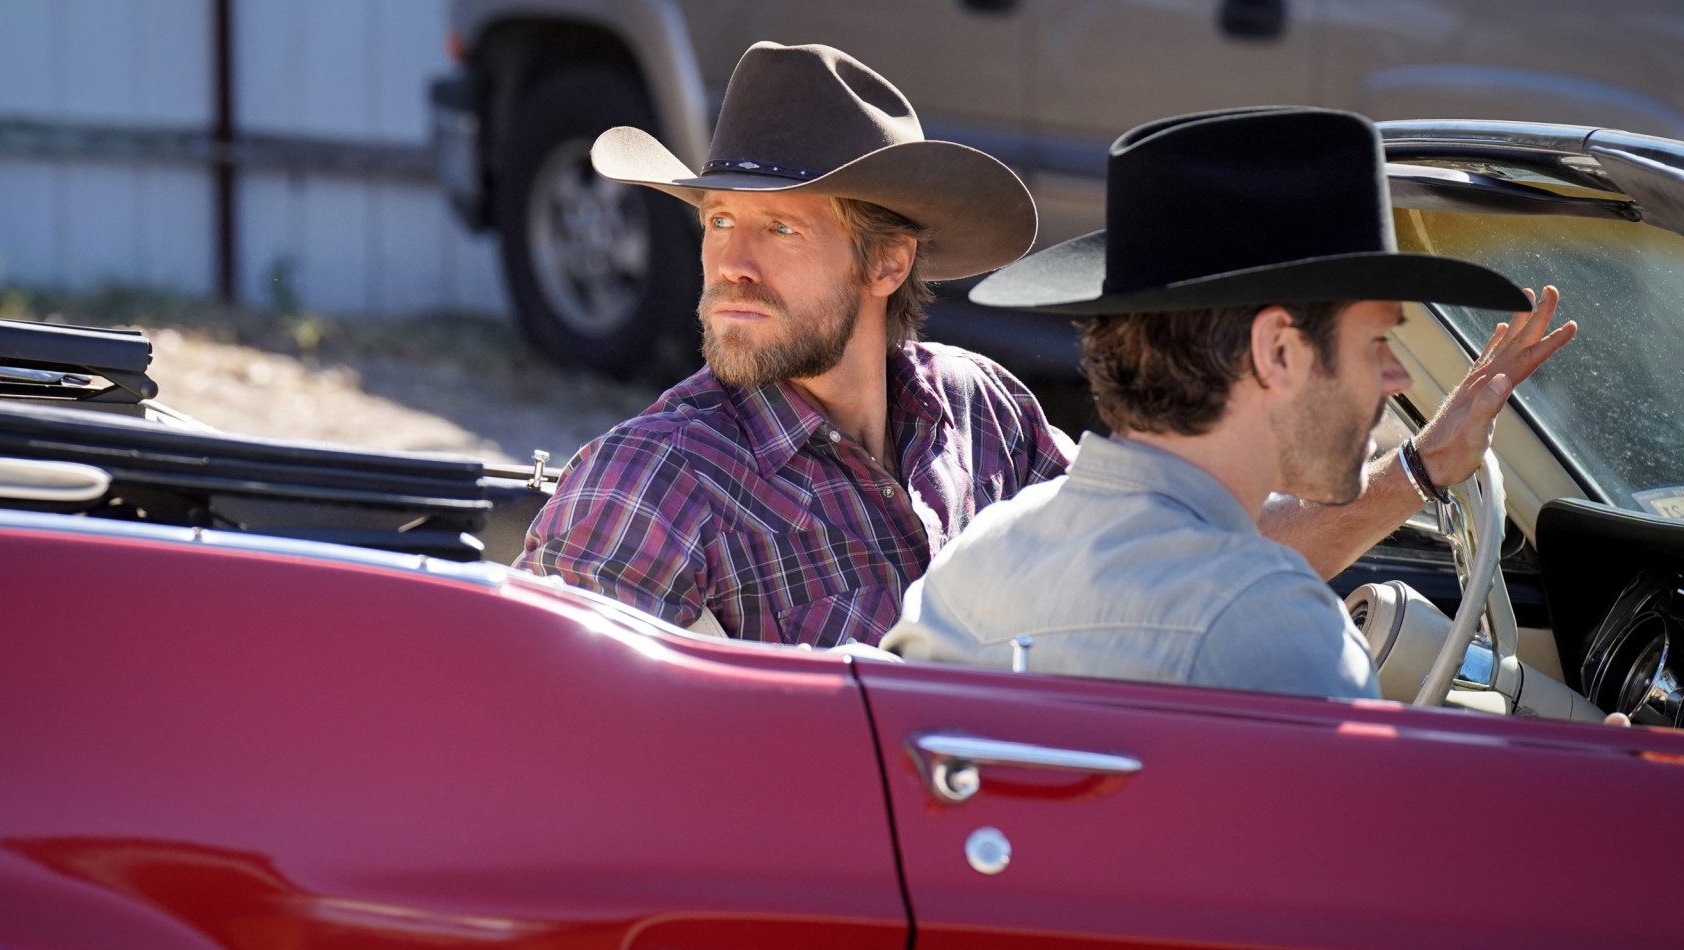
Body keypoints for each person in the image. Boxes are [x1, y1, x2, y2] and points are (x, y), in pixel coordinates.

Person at [518, 43, 1553, 651]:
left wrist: (1419, 471)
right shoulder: (652, 483)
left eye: (779, 228)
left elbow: (1173, 569)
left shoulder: (982, 408)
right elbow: (543, 752)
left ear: (889, 264)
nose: (730, 265)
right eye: (717, 221)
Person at [882, 107, 1576, 697]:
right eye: (1375, 341)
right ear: (1278, 350)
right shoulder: (1281, 633)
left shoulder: (975, 564)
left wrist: (1421, 467)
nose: (1394, 377)